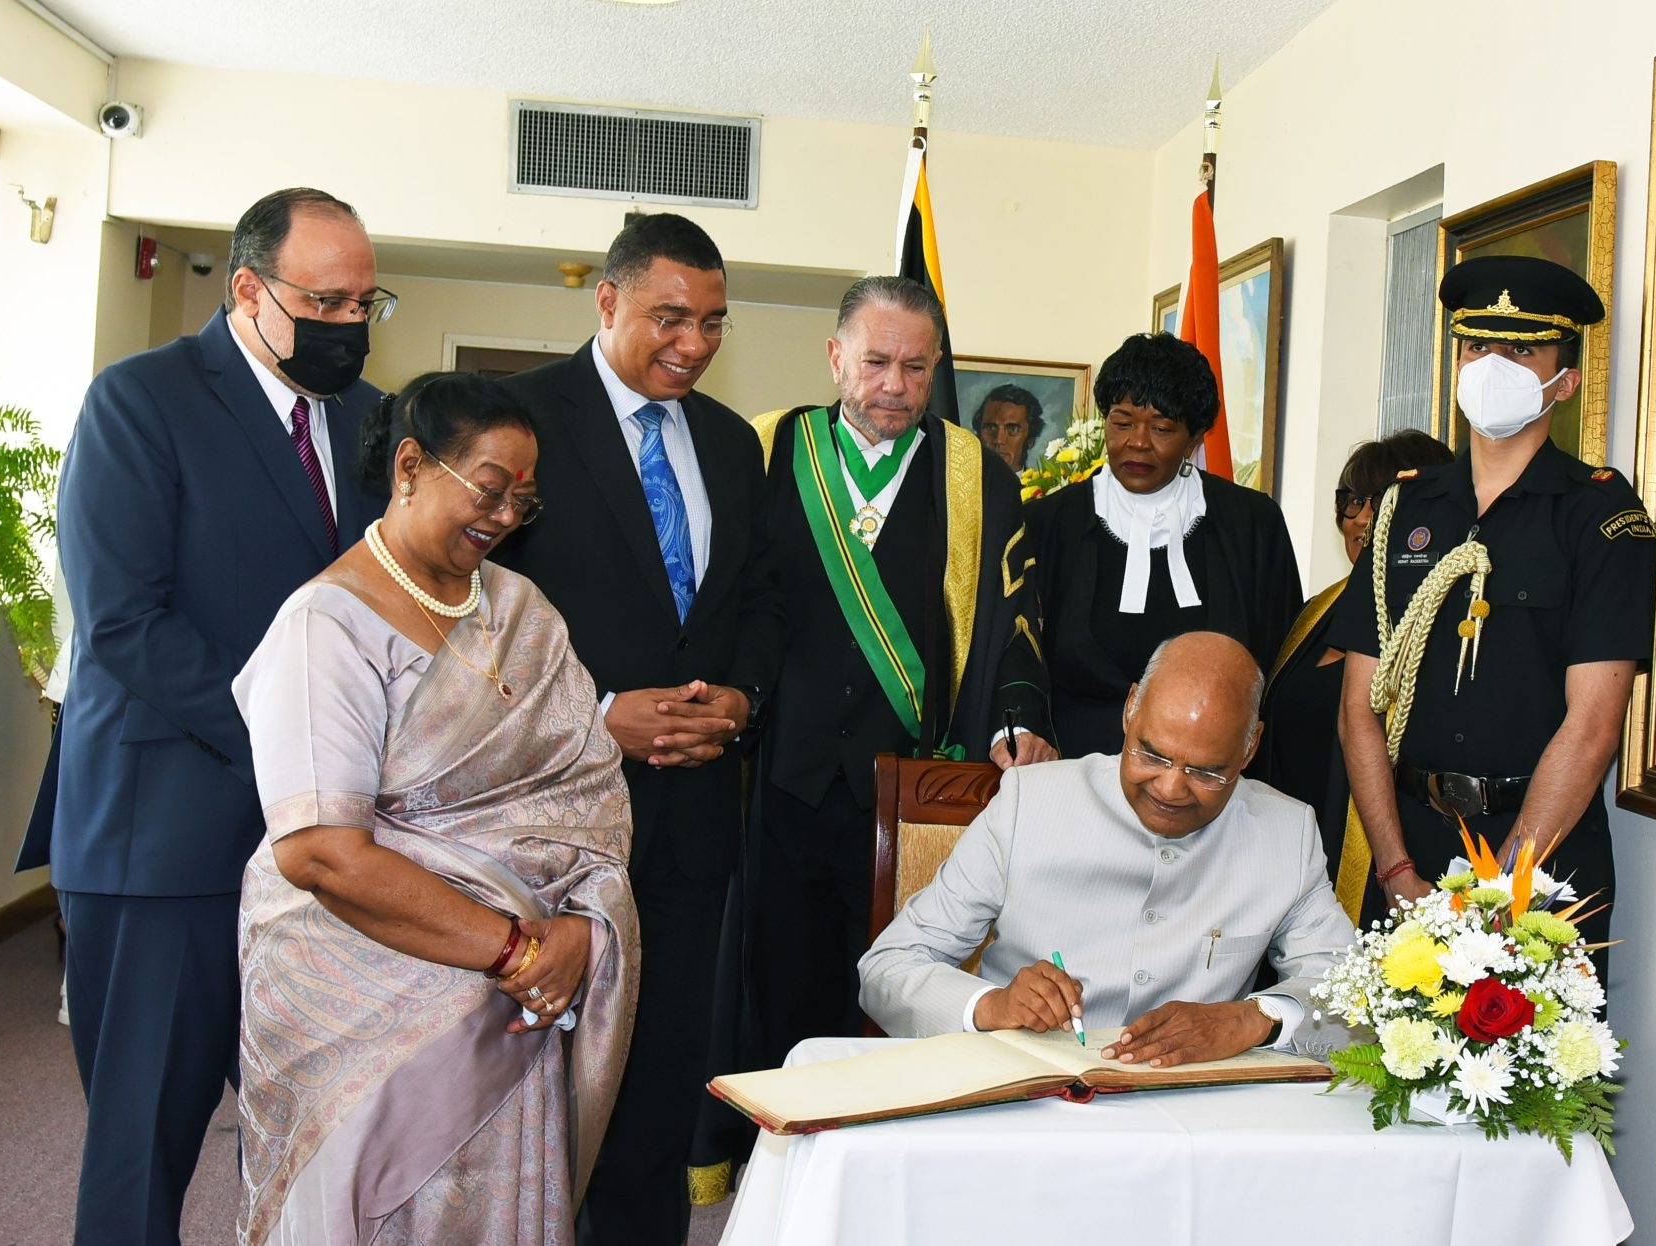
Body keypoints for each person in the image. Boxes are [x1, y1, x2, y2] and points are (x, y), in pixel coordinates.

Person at [25, 187, 384, 1245]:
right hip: (162, 841)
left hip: (330, 849)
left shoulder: (373, 420)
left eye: (369, 302)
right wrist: (301, 741)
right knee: (143, 1146)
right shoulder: (140, 401)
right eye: (326, 300)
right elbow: (128, 625)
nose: (350, 325)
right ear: (247, 289)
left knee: (323, 1138)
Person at [232, 372, 637, 1243]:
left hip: (514, 997)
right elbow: (320, 854)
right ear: (411, 466)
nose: (501, 517)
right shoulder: (325, 625)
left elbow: (590, 790)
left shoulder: (524, 611)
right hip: (359, 992)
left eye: (521, 502)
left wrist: (577, 931)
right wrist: (513, 949)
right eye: (489, 490)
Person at [490, 211, 782, 1243]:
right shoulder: (514, 421)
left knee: (657, 1071)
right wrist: (594, 717)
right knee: (521, 1068)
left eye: (711, 322)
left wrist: (741, 699)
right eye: (668, 317)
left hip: (694, 817)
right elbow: (462, 627)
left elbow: (756, 599)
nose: (692, 344)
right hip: (546, 816)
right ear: (605, 299)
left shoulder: (728, 442)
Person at [748, 275, 1057, 1068]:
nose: (895, 386)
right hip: (777, 776)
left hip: (911, 790)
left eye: (916, 368)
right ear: (834, 356)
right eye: (876, 362)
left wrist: (1016, 719)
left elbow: (1014, 619)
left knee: (897, 994)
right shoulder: (767, 447)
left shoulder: (975, 475)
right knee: (777, 982)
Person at [1331, 255, 1656, 960]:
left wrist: (1503, 888)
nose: (1492, 365)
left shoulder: (1600, 517)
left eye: (1521, 350)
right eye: (1477, 345)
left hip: (1541, 861)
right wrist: (1394, 870)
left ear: (1564, 382)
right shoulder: (1404, 508)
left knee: (1523, 1071)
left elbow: (1593, 725)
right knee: (1387, 1067)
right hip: (1407, 847)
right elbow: (1361, 707)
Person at [859, 632, 1353, 1063]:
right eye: (1152, 754)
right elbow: (887, 968)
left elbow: (1355, 996)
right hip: (1028, 1102)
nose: (1171, 789)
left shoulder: (1287, 833)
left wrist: (1252, 1019)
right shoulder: (1028, 803)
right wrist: (991, 1006)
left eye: (1206, 772)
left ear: (1250, 748)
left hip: (1194, 1122)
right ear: (1129, 708)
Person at [1024, 333, 1301, 758]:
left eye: (1162, 428)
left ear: (1195, 439)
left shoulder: (1253, 525)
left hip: (1211, 785)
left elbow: (1281, 673)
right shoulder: (1049, 525)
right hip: (1074, 774)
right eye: (1121, 423)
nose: (1137, 442)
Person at [1259, 430, 1453, 922]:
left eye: (1386, 500)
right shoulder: (1317, 611)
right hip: (1285, 865)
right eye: (1353, 500)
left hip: (1387, 870)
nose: (1364, 518)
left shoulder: (1449, 625)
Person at [971, 383, 1044, 473]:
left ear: (1030, 440)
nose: (999, 440)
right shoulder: (960, 484)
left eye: (1013, 429)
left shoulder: (1046, 486)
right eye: (991, 428)